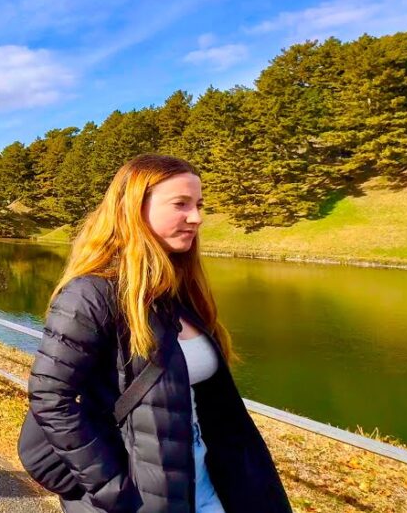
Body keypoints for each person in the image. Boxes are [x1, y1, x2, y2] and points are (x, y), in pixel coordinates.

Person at [22, 154, 290, 513]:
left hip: (208, 490)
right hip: (140, 500)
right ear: (134, 208)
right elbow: (50, 398)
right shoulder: (91, 294)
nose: (196, 217)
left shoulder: (178, 293)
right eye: (180, 204)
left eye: (198, 205)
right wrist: (111, 489)